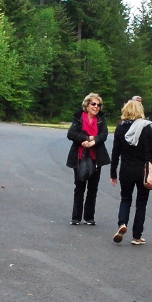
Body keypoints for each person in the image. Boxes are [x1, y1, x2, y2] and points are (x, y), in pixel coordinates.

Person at [110, 98, 152, 245]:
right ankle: (137, 236)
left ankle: (122, 223)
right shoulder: (146, 128)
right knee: (141, 202)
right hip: (143, 169)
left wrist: (113, 173)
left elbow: (115, 152)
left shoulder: (120, 128)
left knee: (125, 198)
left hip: (126, 169)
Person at [65, 92, 109, 226]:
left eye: (98, 105)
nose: (96, 107)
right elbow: (71, 134)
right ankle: (76, 217)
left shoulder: (101, 119)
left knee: (93, 188)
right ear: (87, 105)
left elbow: (104, 135)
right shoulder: (79, 117)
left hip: (96, 157)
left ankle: (89, 217)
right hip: (79, 156)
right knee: (79, 186)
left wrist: (94, 141)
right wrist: (85, 139)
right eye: (93, 104)